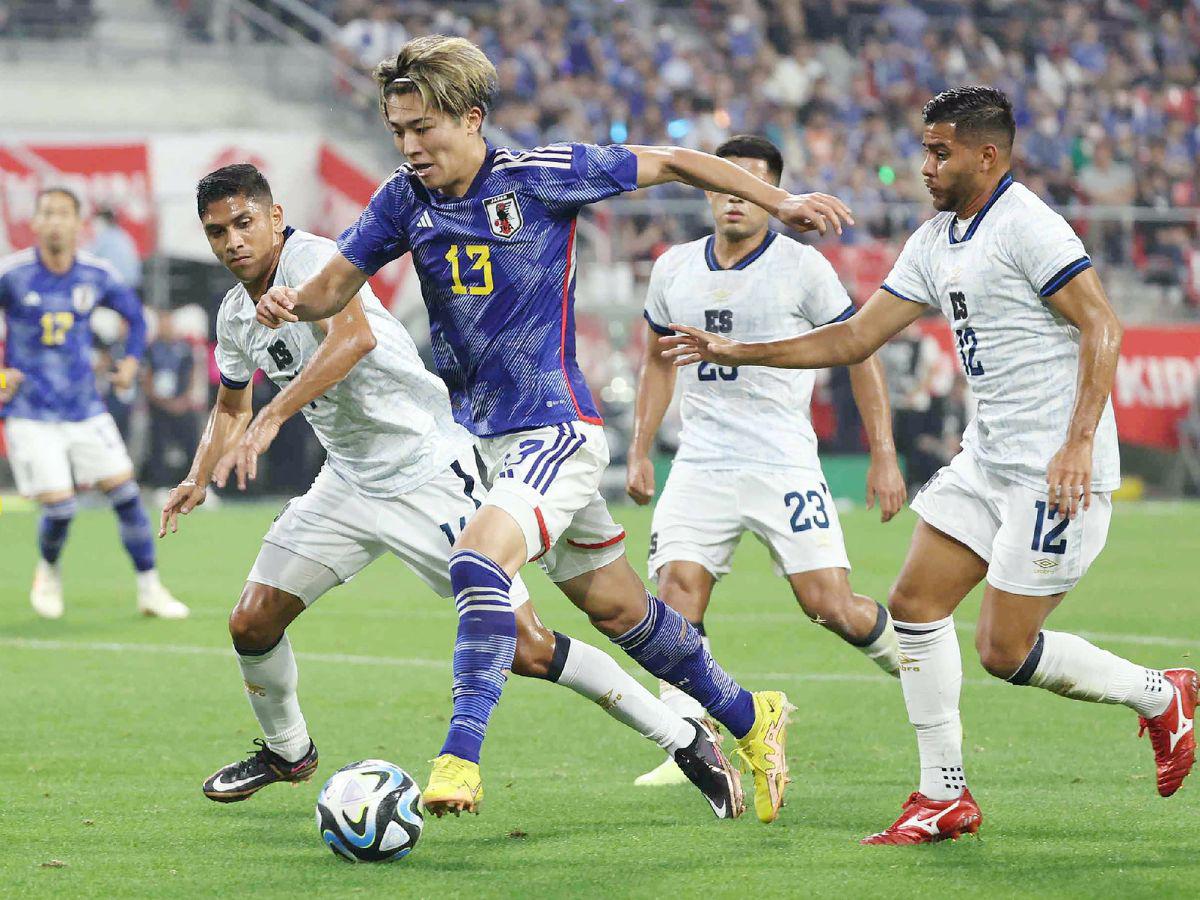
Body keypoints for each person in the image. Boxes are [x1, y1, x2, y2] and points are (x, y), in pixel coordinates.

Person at [254, 35, 854, 823]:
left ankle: (459, 757)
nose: (408, 146)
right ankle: (749, 716)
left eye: (422, 128)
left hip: (556, 428)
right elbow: (336, 285)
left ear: (470, 119)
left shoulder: (540, 177)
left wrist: (780, 203)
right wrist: (293, 303)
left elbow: (674, 160)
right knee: (619, 611)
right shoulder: (404, 198)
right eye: (398, 130)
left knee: (478, 564)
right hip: (487, 441)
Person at [661, 86, 1196, 843]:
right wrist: (739, 350)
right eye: (924, 149)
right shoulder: (937, 237)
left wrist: (1078, 441)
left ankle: (1159, 694)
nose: (925, 165)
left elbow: (1102, 325)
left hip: (1054, 473)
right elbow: (854, 339)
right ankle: (943, 794)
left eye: (940, 151)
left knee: (1004, 652)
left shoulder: (1027, 225)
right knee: (912, 605)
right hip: (987, 459)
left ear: (988, 154)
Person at [166, 164, 740, 818]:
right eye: (217, 233)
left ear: (273, 217)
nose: (233, 241)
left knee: (526, 647)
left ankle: (683, 737)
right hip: (350, 483)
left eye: (244, 223)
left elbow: (349, 338)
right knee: (251, 620)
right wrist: (194, 474)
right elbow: (230, 403)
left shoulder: (314, 258)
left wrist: (276, 414)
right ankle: (288, 751)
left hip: (431, 470)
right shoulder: (236, 313)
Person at [626, 134, 906, 787]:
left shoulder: (802, 268)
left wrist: (883, 455)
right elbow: (656, 363)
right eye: (722, 183)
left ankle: (912, 660)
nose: (733, 197)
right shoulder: (672, 268)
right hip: (700, 461)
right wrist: (641, 449)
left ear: (770, 195)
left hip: (782, 461)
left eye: (749, 185)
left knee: (830, 605)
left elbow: (859, 353)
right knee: (676, 595)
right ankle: (690, 742)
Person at [0, 187, 185, 620]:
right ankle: (47, 570)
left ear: (79, 224)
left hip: (85, 406)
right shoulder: (13, 275)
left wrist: (131, 360)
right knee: (61, 508)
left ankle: (150, 589)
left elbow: (136, 316)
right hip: (31, 412)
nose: (56, 221)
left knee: (126, 497)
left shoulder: (95, 274)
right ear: (36, 222)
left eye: (64, 213)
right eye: (47, 212)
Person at [143, 309, 200, 487]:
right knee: (158, 447)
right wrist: (163, 402)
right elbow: (146, 377)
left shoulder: (184, 348)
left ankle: (197, 483)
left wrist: (184, 399)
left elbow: (192, 374)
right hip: (159, 406)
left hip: (182, 404)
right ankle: (160, 485)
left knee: (193, 444)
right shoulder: (151, 349)